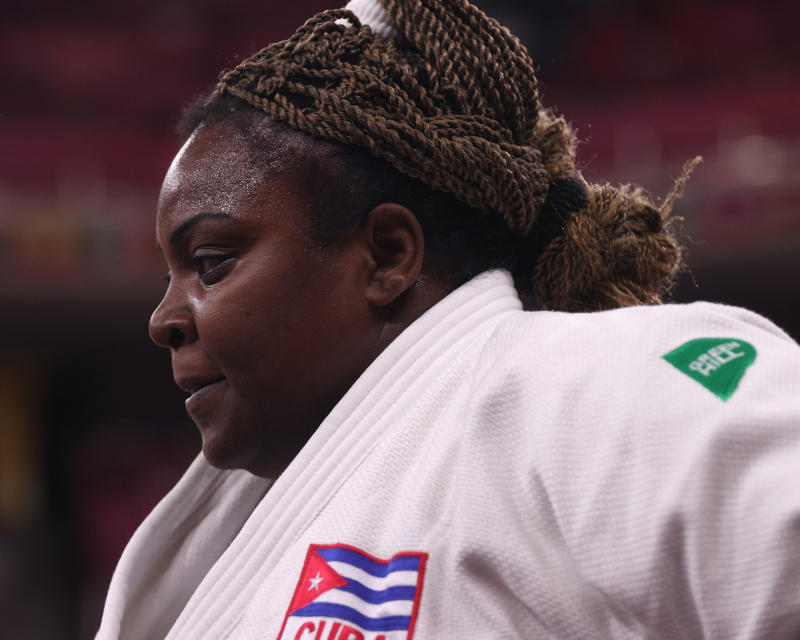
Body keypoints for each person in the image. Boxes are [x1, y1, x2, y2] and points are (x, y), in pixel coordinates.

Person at [97, 1, 800, 638]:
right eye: (169, 276)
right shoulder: (264, 536)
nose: (164, 319)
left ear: (386, 256)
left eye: (210, 261)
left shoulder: (585, 385)